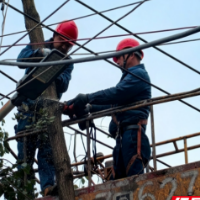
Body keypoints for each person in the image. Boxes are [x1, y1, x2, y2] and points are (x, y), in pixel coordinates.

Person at [64, 38, 151, 180]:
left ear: (131, 54)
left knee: (134, 183)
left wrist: (87, 98)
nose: (116, 62)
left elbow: (116, 94)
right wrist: (89, 108)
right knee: (116, 183)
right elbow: (113, 104)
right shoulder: (128, 79)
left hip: (133, 135)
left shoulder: (139, 75)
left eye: (119, 57)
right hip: (123, 138)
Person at [15, 20, 78, 196]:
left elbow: (64, 84)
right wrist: (41, 54)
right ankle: (23, 191)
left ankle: (48, 186)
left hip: (47, 111)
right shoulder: (39, 43)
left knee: (47, 152)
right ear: (56, 35)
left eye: (69, 45)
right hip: (28, 109)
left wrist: (53, 71)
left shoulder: (67, 61)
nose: (65, 47)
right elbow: (21, 60)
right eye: (63, 42)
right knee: (25, 153)